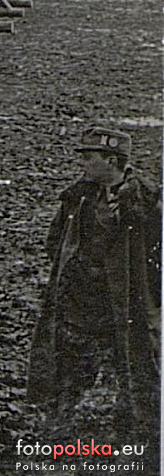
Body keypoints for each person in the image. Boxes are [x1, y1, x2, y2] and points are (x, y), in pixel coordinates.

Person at [27, 126, 161, 427]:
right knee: (68, 361)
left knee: (134, 363)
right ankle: (63, 421)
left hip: (126, 303)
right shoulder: (78, 198)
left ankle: (135, 427)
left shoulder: (146, 202)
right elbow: (55, 241)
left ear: (111, 161)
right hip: (81, 300)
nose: (82, 163)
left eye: (89, 157)